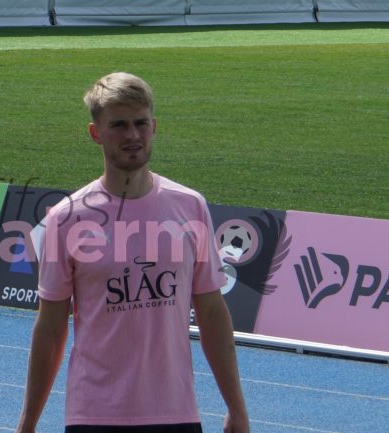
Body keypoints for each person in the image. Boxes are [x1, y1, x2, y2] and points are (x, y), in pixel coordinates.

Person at [16, 72, 249, 433]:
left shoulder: (190, 207)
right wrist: (28, 423)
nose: (132, 136)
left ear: (154, 127)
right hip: (94, 415)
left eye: (141, 123)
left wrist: (236, 407)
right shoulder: (66, 218)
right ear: (96, 133)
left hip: (176, 414)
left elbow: (212, 313)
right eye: (119, 125)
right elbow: (50, 329)